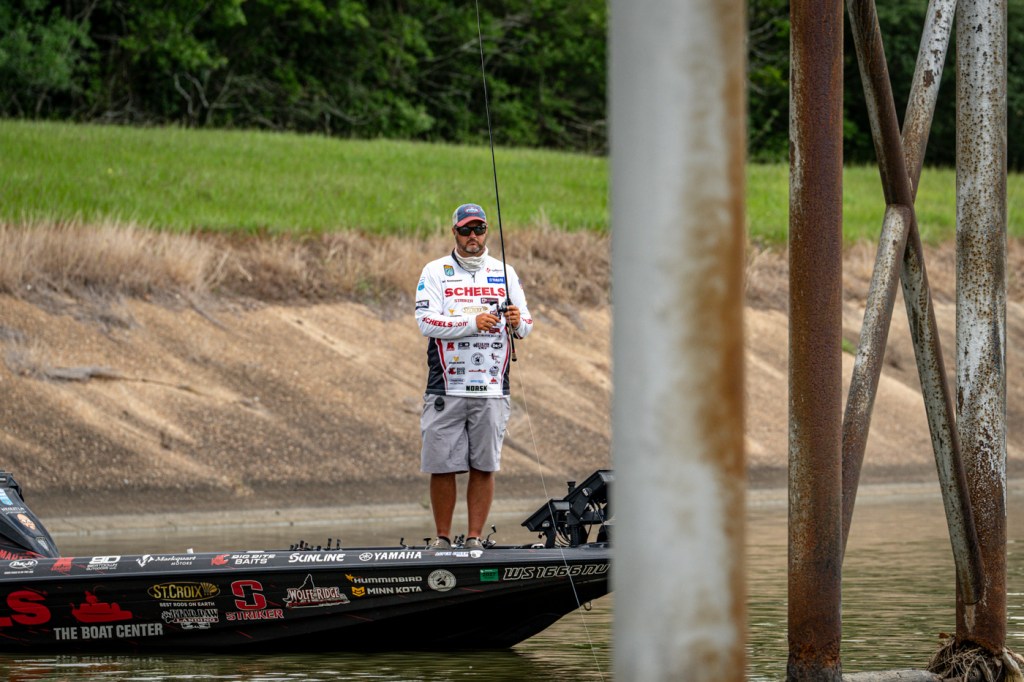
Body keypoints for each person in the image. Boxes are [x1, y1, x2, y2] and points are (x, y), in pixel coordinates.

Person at [415, 202, 533, 550]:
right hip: (446, 385)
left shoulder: (505, 272)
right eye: (466, 229)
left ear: (486, 232)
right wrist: (472, 323)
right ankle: (442, 538)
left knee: (485, 464)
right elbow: (426, 322)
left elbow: (526, 324)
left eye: (478, 229)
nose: (472, 236)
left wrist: (517, 321)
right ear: (455, 232)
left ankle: (474, 538)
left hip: (493, 385)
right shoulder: (435, 271)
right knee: (442, 464)